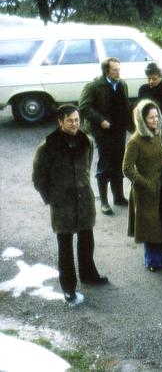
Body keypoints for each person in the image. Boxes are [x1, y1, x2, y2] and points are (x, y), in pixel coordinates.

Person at [33, 104, 108, 304]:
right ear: (60, 122)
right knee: (65, 248)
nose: (75, 124)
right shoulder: (48, 146)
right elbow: (38, 178)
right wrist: (51, 199)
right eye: (70, 121)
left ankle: (89, 275)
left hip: (84, 201)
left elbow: (86, 167)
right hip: (62, 204)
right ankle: (68, 286)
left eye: (77, 120)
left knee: (86, 241)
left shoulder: (87, 141)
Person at [123, 99, 162, 272]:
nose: (155, 120)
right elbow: (127, 168)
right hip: (145, 191)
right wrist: (146, 184)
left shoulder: (158, 134)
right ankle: (152, 260)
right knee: (150, 227)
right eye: (151, 118)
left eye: (157, 116)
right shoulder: (135, 141)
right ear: (142, 120)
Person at [79, 57, 131, 215]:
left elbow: (124, 107)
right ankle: (103, 202)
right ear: (106, 71)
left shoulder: (122, 84)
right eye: (115, 70)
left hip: (119, 130)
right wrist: (100, 120)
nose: (118, 73)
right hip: (102, 132)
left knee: (119, 162)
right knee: (104, 165)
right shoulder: (93, 86)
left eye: (119, 69)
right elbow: (84, 107)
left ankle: (118, 197)